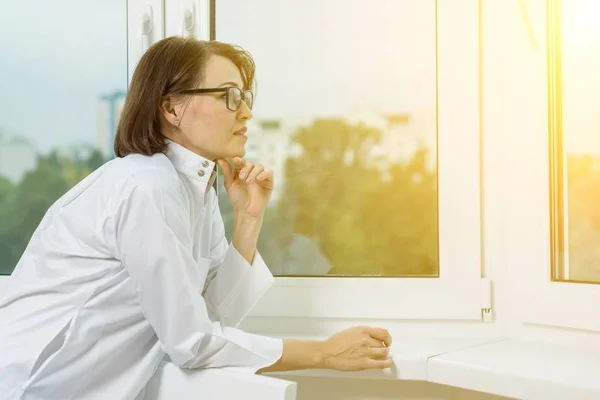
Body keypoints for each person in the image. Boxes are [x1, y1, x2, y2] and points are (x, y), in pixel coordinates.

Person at [0, 36, 393, 400]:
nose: (247, 112)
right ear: (171, 107)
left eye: (245, 96)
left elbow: (209, 317)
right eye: (229, 96)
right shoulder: (146, 186)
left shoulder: (192, 192)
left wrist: (248, 218)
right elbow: (190, 342)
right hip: (27, 386)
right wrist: (322, 353)